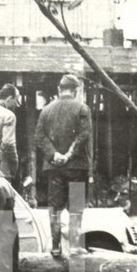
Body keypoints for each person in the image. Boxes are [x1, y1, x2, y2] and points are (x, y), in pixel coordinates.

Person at [34, 74, 92, 258]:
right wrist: (68, 155)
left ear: (59, 90)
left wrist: (54, 155)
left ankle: (56, 246)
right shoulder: (82, 108)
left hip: (54, 167)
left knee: (54, 208)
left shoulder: (46, 110)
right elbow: (84, 135)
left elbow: (39, 137)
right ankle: (74, 246)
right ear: (75, 91)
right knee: (75, 207)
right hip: (76, 166)